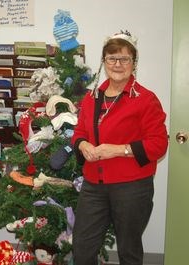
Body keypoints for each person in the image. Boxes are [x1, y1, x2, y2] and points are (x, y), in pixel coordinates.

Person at [70, 31, 168, 265]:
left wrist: (116, 150)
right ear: (104, 62)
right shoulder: (92, 97)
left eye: (124, 59)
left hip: (132, 187)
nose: (117, 64)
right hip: (93, 185)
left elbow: (159, 144)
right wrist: (83, 145)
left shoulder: (145, 99)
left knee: (129, 251)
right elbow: (79, 133)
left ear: (134, 63)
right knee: (82, 249)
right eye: (112, 58)